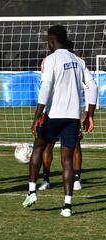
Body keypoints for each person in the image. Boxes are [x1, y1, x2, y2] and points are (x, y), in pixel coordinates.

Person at [22, 25, 98, 217]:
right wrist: (90, 115)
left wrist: (37, 116)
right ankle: (67, 207)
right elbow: (93, 86)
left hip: (53, 115)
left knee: (38, 147)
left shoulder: (51, 59)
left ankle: (32, 192)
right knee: (67, 161)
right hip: (72, 118)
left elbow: (46, 87)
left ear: (52, 41)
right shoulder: (78, 60)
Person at [38, 40, 86, 191]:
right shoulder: (50, 62)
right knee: (48, 145)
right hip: (53, 111)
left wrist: (86, 111)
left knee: (74, 146)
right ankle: (46, 179)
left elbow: (89, 87)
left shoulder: (78, 65)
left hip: (71, 112)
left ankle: (76, 178)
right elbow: (46, 86)